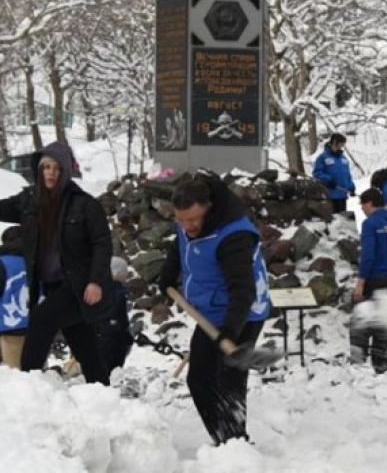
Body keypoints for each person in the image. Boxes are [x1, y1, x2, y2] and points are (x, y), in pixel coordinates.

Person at [158, 176, 272, 445]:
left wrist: (229, 333)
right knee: (198, 379)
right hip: (211, 311)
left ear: (209, 207)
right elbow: (181, 245)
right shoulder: (189, 225)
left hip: (243, 312)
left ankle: (236, 445)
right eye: (181, 220)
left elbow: (242, 291)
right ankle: (223, 439)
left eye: (193, 220)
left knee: (229, 380)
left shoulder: (233, 235)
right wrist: (167, 275)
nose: (188, 227)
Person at [0, 142, 113, 385]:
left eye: (56, 168)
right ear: (38, 170)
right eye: (45, 167)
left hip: (78, 285)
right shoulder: (29, 200)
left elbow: (102, 244)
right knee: (82, 340)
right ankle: (102, 387)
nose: (50, 173)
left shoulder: (84, 204)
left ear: (65, 171)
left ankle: (29, 384)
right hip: (51, 285)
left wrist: (95, 281)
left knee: (41, 320)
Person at [350, 188, 387, 373]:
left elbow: (368, 255)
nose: (361, 208)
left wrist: (361, 282)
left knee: (361, 322)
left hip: (373, 280)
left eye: (362, 204)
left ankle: (358, 368)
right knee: (383, 324)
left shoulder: (370, 224)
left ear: (370, 203)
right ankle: (381, 367)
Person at [97, 257, 134, 372]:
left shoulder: (103, 287)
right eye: (123, 272)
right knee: (112, 363)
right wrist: (122, 328)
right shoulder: (115, 291)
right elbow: (117, 312)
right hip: (112, 333)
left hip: (105, 331)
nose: (126, 276)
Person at [0, 226, 27, 369]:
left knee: (15, 375)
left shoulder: (2, 261)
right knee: (37, 375)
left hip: (10, 324)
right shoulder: (38, 259)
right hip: (39, 325)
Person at [312, 133, 356, 214]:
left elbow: (347, 175)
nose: (341, 147)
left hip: (342, 195)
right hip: (330, 195)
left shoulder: (344, 159)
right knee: (334, 221)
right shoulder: (323, 157)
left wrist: (351, 187)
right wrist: (328, 180)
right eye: (340, 145)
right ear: (334, 142)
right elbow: (317, 173)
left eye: (342, 145)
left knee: (343, 220)